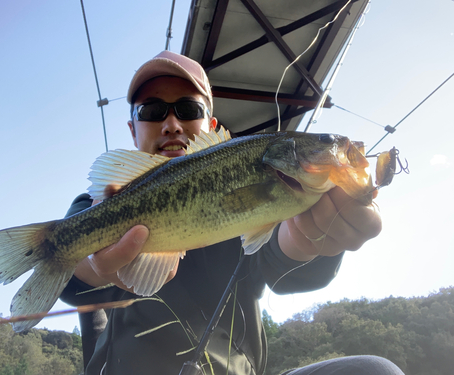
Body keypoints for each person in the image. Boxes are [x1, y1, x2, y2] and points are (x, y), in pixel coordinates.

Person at [60, 51, 404, 375]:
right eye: (152, 111)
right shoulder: (101, 201)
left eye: (188, 109)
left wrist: (309, 239)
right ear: (133, 130)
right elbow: (74, 282)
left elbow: (277, 255)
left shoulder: (275, 192)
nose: (172, 124)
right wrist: (91, 264)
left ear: (210, 126)